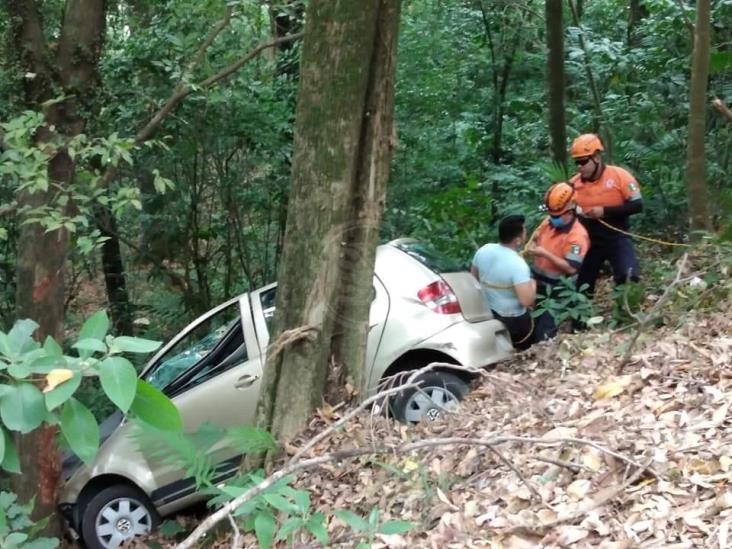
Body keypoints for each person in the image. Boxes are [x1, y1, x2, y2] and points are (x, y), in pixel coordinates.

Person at [569, 133, 643, 295]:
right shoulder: (574, 185)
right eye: (576, 163)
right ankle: (579, 319)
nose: (579, 167)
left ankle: (624, 312)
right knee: (581, 286)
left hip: (617, 235)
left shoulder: (619, 176)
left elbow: (637, 205)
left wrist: (605, 211)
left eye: (583, 162)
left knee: (628, 275)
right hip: (589, 241)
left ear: (596, 157)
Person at [525, 182, 590, 339]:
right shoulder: (549, 222)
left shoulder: (577, 236)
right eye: (551, 215)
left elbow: (571, 268)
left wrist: (545, 254)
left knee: (544, 332)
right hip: (538, 285)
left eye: (556, 216)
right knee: (530, 326)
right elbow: (536, 235)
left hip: (557, 291)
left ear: (569, 212)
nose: (552, 218)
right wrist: (532, 244)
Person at [470, 214, 537, 350]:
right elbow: (526, 301)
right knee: (527, 343)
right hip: (513, 320)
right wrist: (533, 285)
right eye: (524, 231)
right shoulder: (518, 264)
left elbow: (473, 279)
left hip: (488, 311)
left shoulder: (484, 250)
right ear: (518, 240)